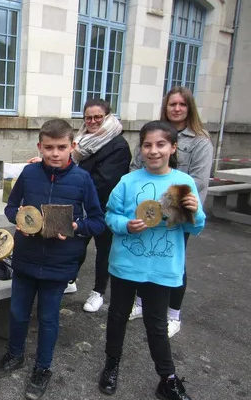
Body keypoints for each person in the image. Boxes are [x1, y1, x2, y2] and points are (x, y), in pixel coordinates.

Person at [0, 119, 105, 400]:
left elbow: (98, 221)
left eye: (61, 147)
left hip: (59, 262)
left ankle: (43, 368)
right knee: (18, 313)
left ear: (72, 146)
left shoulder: (82, 179)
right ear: (39, 147)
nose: (55, 153)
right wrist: (19, 219)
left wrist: (76, 226)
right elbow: (11, 207)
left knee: (48, 318)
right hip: (26, 257)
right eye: (49, 147)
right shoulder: (29, 174)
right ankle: (15, 354)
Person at [98, 120, 205, 400]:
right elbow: (110, 215)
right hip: (126, 264)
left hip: (161, 267)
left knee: (156, 324)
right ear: (141, 149)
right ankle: (111, 364)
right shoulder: (128, 181)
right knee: (117, 316)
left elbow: (195, 227)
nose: (153, 150)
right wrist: (125, 225)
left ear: (173, 147)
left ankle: (167, 378)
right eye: (147, 145)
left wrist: (195, 212)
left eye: (161, 144)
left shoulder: (183, 183)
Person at [128, 87, 213, 337]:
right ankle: (141, 302)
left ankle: (173, 314)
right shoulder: (153, 133)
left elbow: (198, 180)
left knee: (174, 261)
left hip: (178, 212)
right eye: (172, 104)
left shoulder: (200, 140)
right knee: (144, 253)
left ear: (189, 108)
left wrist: (164, 198)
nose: (176, 108)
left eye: (182, 104)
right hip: (147, 208)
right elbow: (135, 167)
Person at [71, 99, 131, 312]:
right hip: (80, 205)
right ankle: (70, 279)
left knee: (104, 250)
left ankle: (98, 292)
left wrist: (73, 185)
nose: (93, 121)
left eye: (98, 117)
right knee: (75, 245)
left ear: (107, 117)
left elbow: (106, 180)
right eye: (88, 118)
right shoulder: (81, 141)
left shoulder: (118, 144)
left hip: (105, 206)